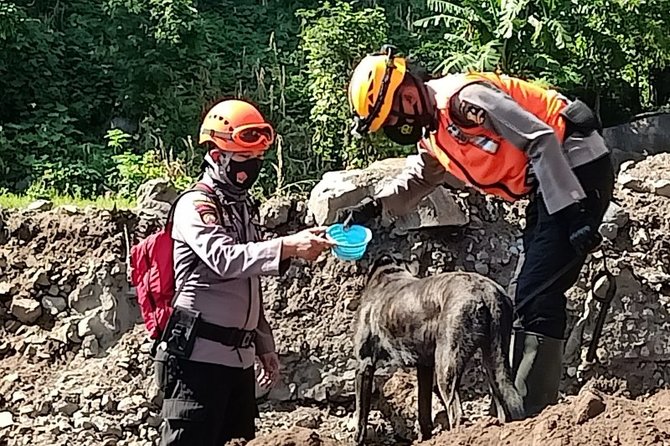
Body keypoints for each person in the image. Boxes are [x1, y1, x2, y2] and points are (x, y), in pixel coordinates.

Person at [337, 45, 615, 418]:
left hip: (576, 167)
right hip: (551, 185)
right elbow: (418, 180)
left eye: (389, 120)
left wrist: (575, 213)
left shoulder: (465, 99)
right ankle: (520, 411)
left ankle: (530, 415)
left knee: (536, 294)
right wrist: (374, 207)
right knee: (528, 294)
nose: (392, 129)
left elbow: (540, 138)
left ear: (405, 94)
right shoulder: (433, 134)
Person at [155, 98, 333, 445]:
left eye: (255, 160)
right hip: (198, 362)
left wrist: (263, 343)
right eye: (243, 159)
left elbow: (248, 282)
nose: (251, 167)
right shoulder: (196, 205)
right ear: (217, 155)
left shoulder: (241, 207)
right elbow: (224, 258)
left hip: (238, 366)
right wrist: (288, 246)